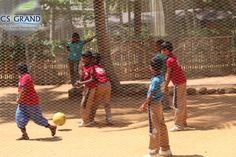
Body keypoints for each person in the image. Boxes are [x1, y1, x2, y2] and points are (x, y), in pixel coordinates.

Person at [139, 58, 172, 157]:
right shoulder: (161, 77)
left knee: (153, 128)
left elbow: (151, 94)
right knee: (161, 125)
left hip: (153, 105)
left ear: (152, 68)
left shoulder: (155, 80)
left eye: (150, 66)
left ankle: (153, 152)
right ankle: (165, 149)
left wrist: (144, 104)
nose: (149, 67)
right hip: (159, 104)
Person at [15, 63, 57, 140]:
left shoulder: (26, 77)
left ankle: (51, 127)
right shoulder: (22, 77)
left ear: (19, 70)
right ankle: (25, 135)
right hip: (23, 103)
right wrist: (20, 98)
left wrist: (19, 98)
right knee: (19, 119)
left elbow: (24, 89)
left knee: (37, 119)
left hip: (31, 103)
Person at [161, 41, 187, 132]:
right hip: (182, 81)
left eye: (164, 50)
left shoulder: (169, 60)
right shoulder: (173, 57)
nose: (162, 52)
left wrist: (165, 85)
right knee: (182, 102)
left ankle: (178, 125)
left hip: (178, 83)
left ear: (168, 50)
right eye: (162, 50)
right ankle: (183, 122)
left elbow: (168, 73)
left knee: (177, 104)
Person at [75, 51, 97, 127]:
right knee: (85, 104)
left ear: (89, 59)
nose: (82, 59)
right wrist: (79, 83)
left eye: (84, 58)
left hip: (91, 88)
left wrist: (81, 83)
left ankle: (86, 121)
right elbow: (82, 77)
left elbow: (92, 79)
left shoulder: (92, 67)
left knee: (84, 105)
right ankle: (86, 120)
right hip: (86, 87)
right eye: (82, 58)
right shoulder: (84, 66)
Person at [91, 52, 112, 124]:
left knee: (95, 102)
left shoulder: (92, 67)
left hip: (100, 84)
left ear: (94, 59)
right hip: (108, 84)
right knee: (107, 103)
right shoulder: (101, 67)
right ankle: (109, 119)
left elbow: (93, 78)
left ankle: (91, 119)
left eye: (92, 58)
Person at [154, 39, 172, 112]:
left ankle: (165, 105)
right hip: (162, 74)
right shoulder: (163, 54)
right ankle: (165, 104)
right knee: (163, 89)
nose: (155, 47)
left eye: (157, 46)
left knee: (163, 89)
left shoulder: (161, 55)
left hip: (162, 74)